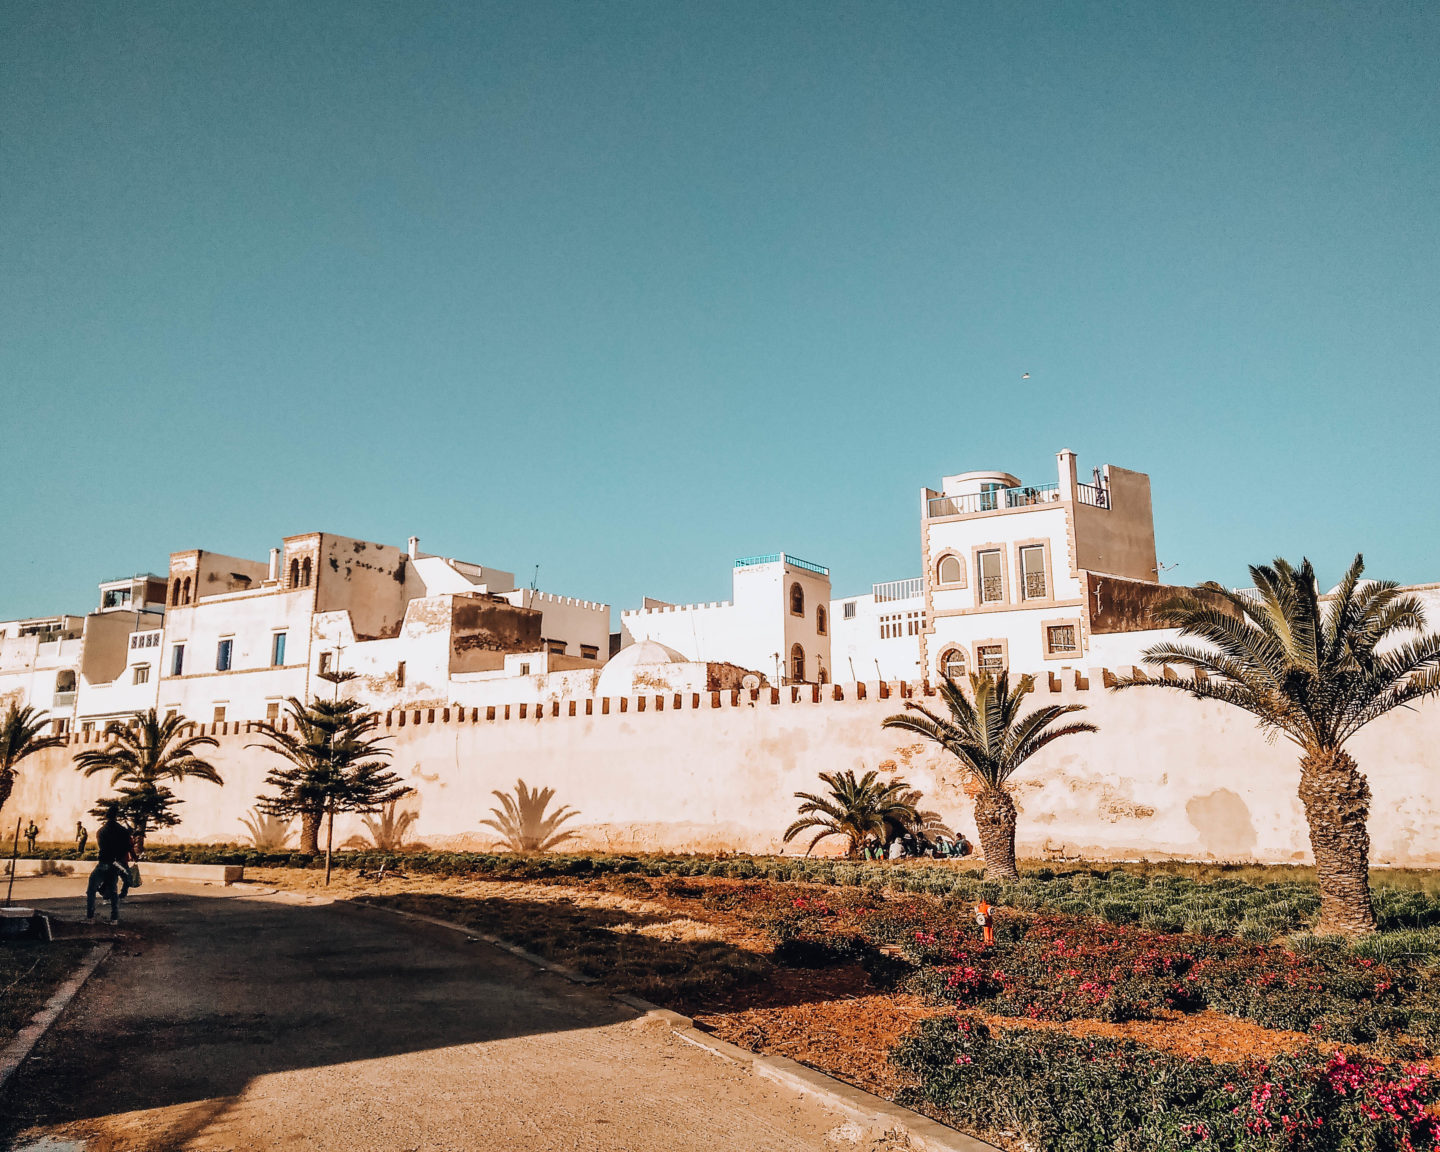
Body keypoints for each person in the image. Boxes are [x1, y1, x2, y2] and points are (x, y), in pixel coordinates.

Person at [86, 805, 135, 923]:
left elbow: (103, 848)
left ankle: (90, 917)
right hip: (116, 863)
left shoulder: (101, 831)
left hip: (104, 862)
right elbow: (128, 847)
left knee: (91, 889)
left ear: (107, 816)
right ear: (116, 816)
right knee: (113, 891)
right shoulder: (124, 831)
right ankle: (114, 918)